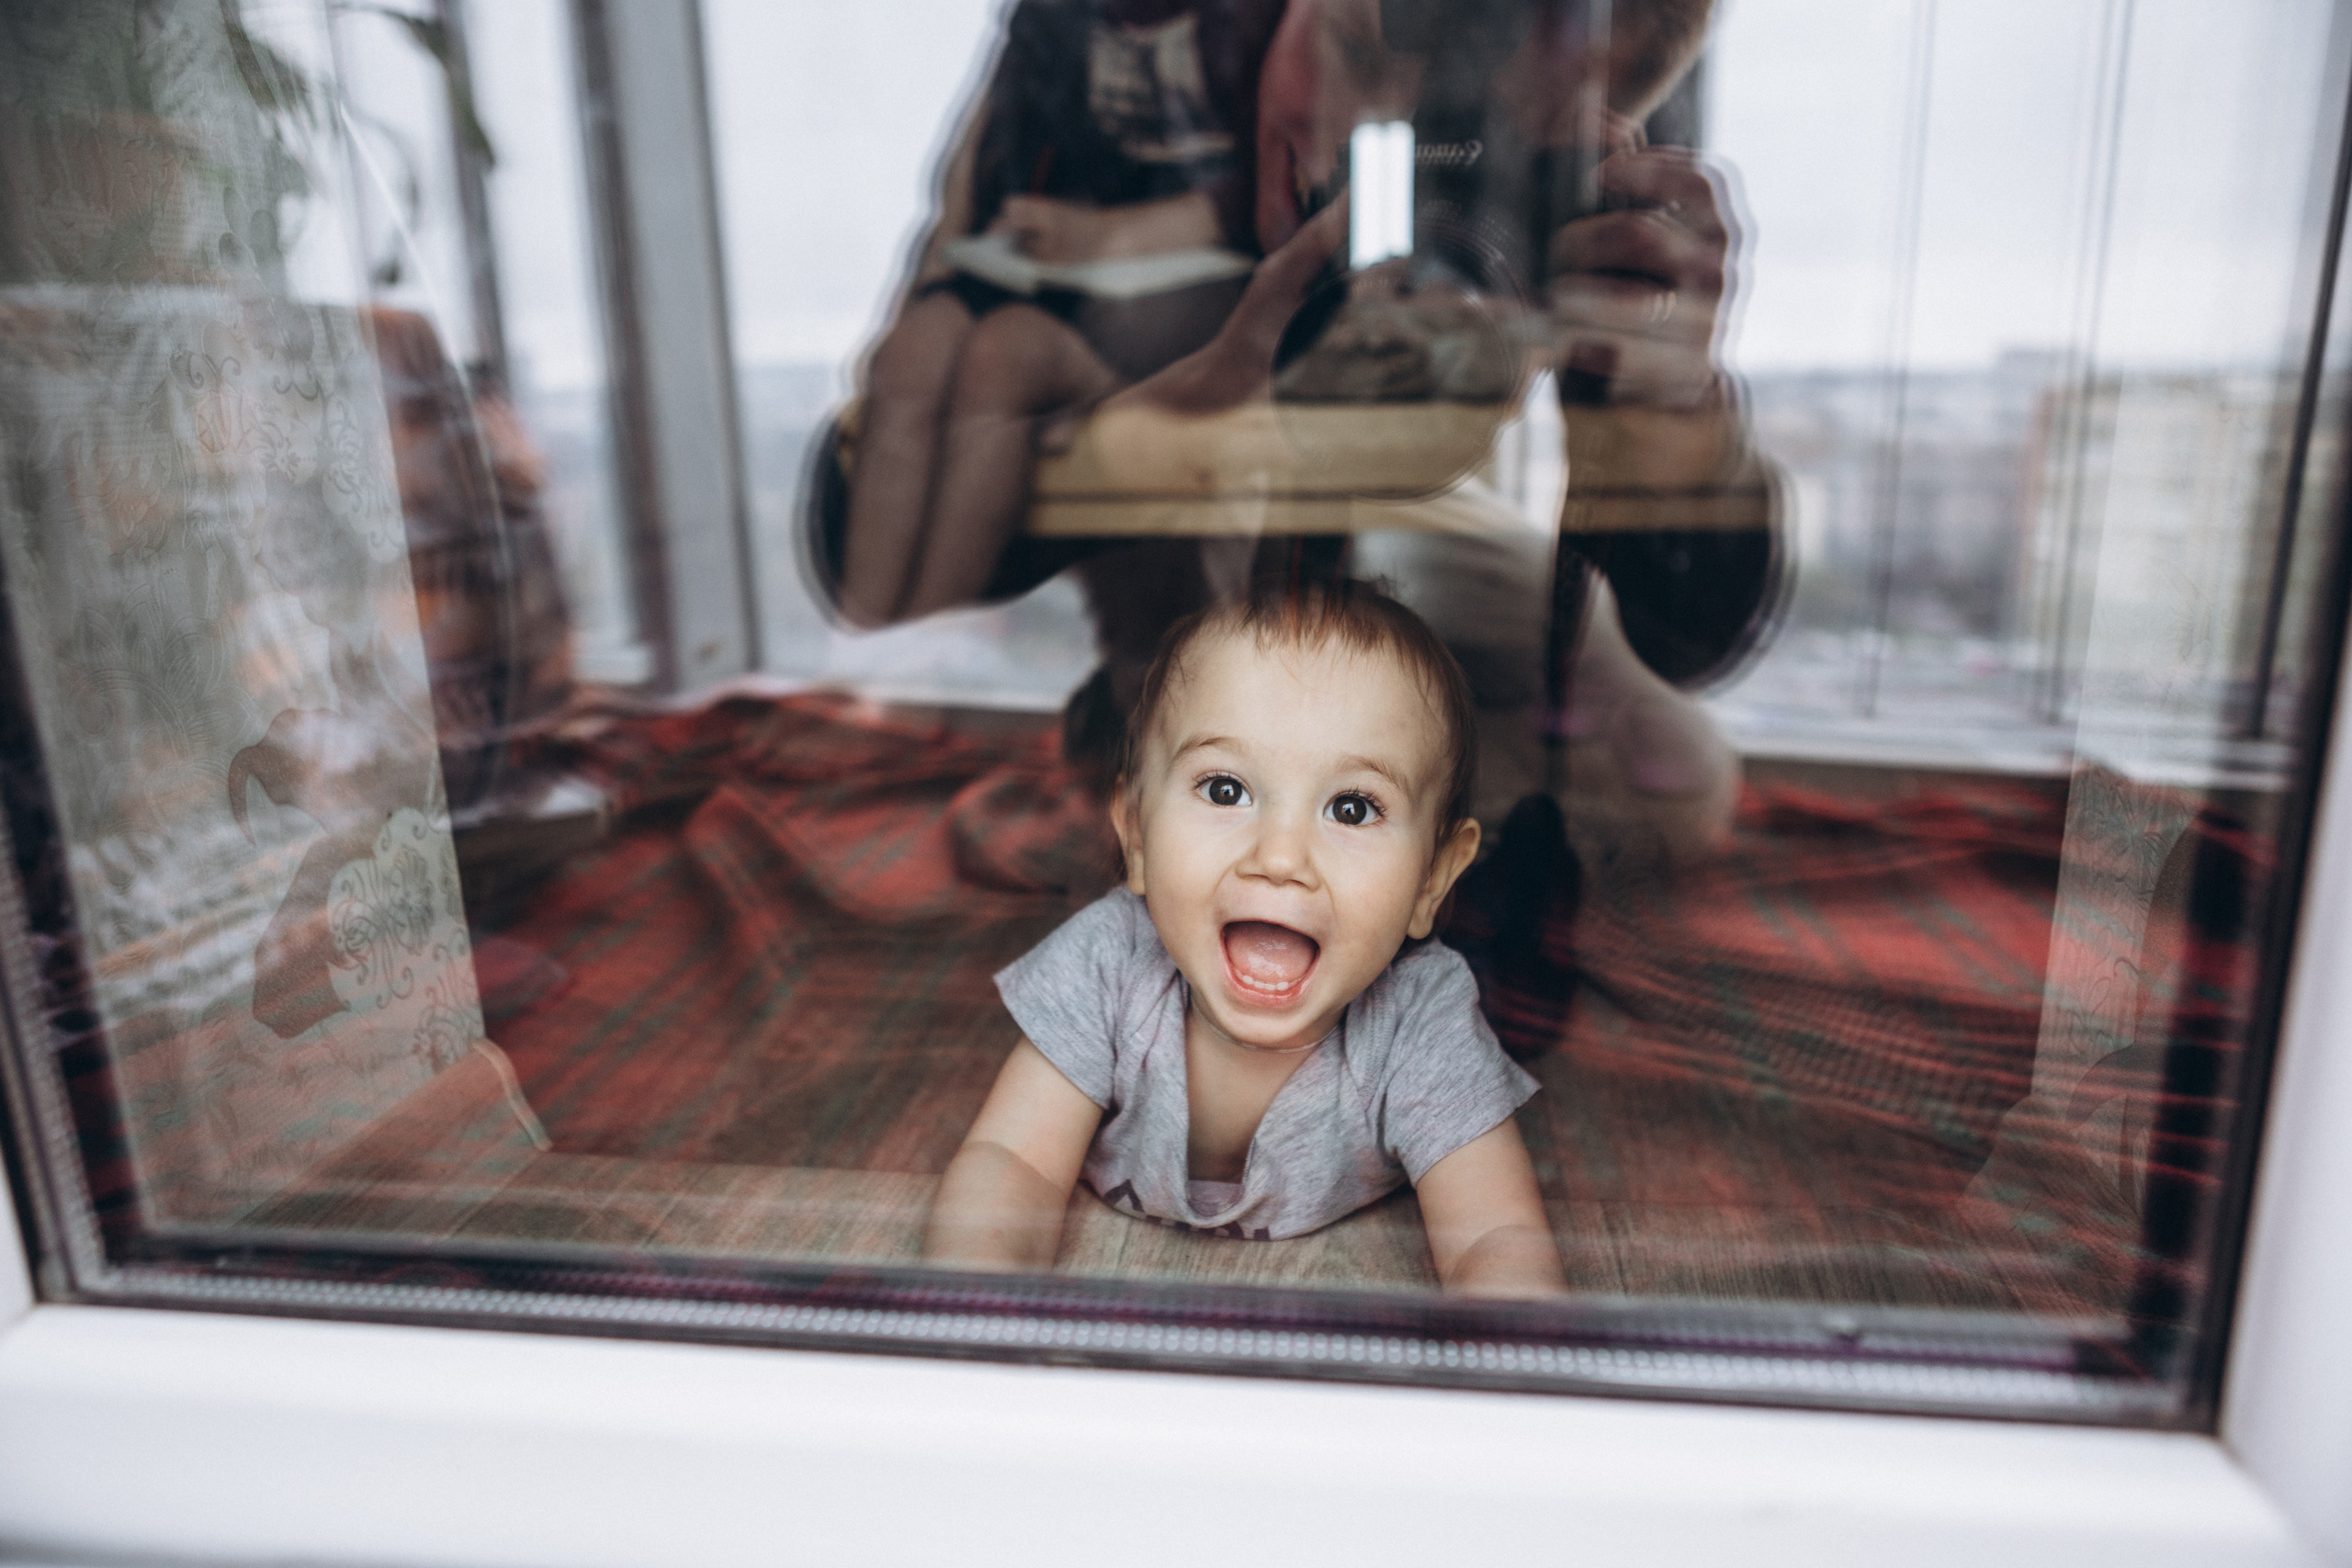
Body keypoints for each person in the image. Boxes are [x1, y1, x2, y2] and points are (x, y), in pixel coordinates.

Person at [923, 580, 1568, 1297]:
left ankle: (1532, 873)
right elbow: (1012, 1161)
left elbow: (1494, 1237)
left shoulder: (1417, 1017)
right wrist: (977, 1306)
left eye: (1352, 808)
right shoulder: (1110, 959)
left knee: (1525, 963)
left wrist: (1505, 1335)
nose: (1280, 856)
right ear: (1136, 834)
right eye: (1226, 790)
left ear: (1431, 880)